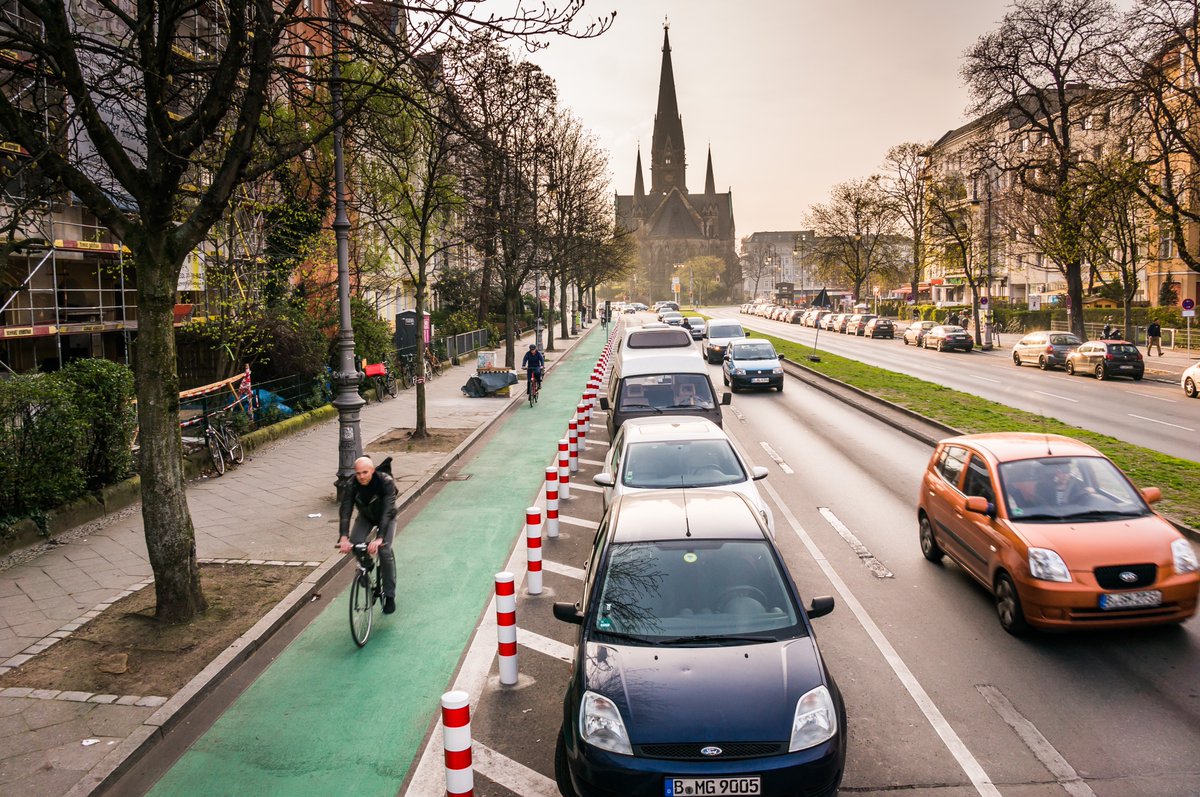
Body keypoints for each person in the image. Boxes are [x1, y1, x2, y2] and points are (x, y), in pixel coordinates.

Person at [338, 456, 397, 614]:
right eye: (358, 473)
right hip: (366, 516)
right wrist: (343, 536)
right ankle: (367, 564)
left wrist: (379, 538)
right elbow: (346, 509)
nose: (361, 476)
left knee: (384, 550)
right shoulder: (352, 484)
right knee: (356, 542)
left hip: (387, 517)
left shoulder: (385, 482)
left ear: (372, 470)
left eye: (365, 472)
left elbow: (387, 511)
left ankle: (390, 596)